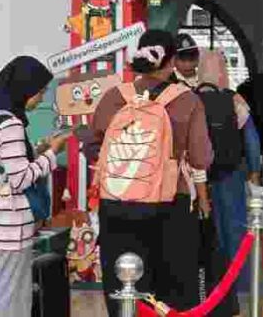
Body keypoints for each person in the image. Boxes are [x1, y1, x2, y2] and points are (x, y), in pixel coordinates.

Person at [90, 30, 212, 316]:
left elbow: (94, 145)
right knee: (172, 282)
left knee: (122, 278)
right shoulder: (187, 100)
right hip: (170, 203)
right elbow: (201, 158)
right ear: (170, 62)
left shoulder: (114, 96)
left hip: (117, 201)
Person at [0, 56, 70, 317]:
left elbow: (4, 165)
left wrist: (38, 150)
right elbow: (20, 178)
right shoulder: (10, 124)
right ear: (24, 89)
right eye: (39, 92)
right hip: (10, 227)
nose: (41, 99)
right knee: (11, 297)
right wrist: (52, 153)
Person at [196, 49, 262, 295]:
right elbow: (251, 139)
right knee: (234, 228)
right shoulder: (235, 100)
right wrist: (254, 170)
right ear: (222, 71)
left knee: (206, 230)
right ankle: (240, 285)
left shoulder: (189, 99)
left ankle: (210, 286)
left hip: (198, 177)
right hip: (231, 173)